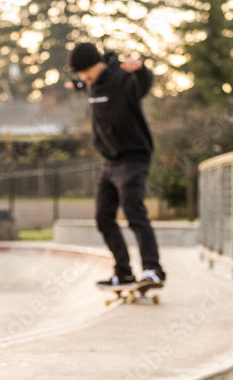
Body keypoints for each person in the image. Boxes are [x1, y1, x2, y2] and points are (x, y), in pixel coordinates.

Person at [67, 41, 166, 288]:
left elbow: (142, 86)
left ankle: (153, 270)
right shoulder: (90, 84)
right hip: (109, 162)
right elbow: (86, 84)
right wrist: (78, 84)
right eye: (80, 75)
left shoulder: (122, 79)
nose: (83, 78)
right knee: (103, 217)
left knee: (134, 212)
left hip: (134, 157)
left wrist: (141, 70)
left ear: (97, 64)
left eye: (84, 72)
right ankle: (123, 272)